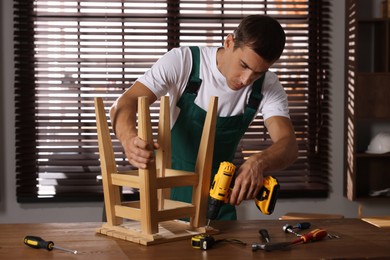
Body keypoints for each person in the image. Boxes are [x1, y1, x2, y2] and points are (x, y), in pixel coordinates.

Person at [110, 15, 298, 220]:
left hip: (217, 206)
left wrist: (259, 162)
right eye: (243, 65)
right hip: (166, 197)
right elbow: (125, 103)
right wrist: (128, 139)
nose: (246, 80)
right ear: (229, 42)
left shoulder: (267, 86)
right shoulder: (184, 62)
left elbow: (288, 145)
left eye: (257, 73)